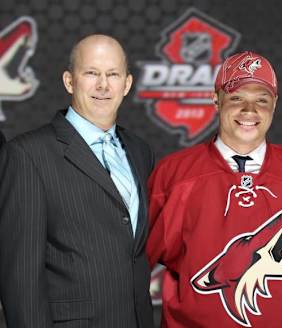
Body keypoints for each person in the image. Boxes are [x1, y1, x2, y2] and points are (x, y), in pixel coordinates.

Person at [146, 51, 282, 327]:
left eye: (261, 100)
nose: (249, 110)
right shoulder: (175, 174)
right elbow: (134, 263)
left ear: (274, 104)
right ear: (216, 99)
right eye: (237, 98)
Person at [0, 34, 155, 328]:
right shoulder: (27, 155)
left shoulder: (139, 151)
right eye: (91, 73)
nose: (103, 85)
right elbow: (20, 278)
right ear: (70, 81)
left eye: (113, 74)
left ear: (127, 84)